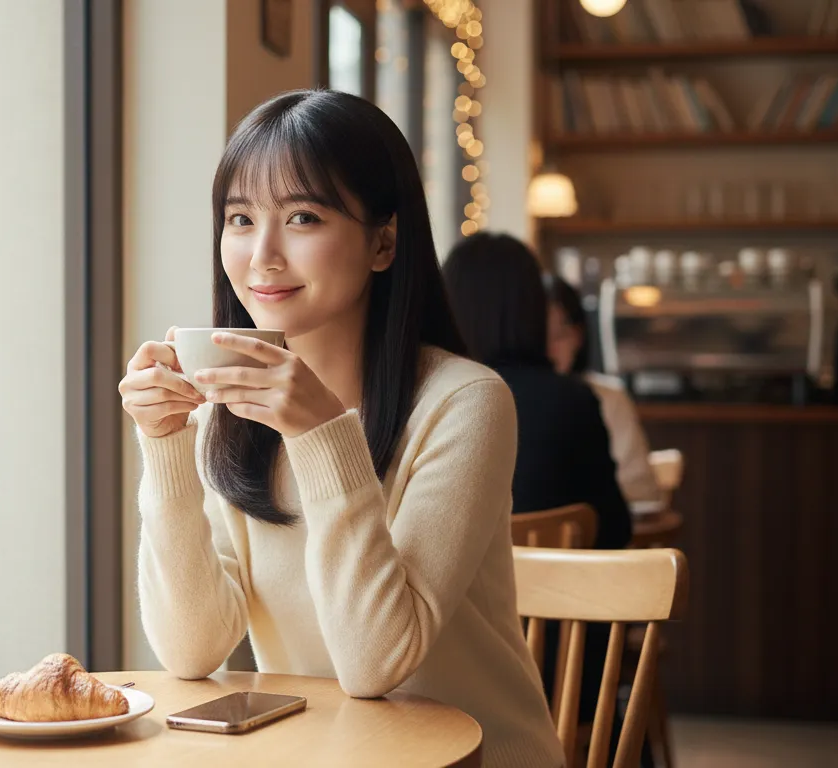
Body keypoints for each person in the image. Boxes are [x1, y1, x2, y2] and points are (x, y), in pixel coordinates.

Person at [119, 90, 563, 767]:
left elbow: (376, 661)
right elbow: (191, 649)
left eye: (302, 217)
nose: (262, 255)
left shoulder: (465, 402)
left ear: (383, 242)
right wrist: (166, 445)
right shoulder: (231, 411)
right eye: (240, 219)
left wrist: (322, 435)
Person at [442, 232, 631, 549]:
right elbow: (614, 528)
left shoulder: (429, 398)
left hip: (452, 582)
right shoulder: (572, 400)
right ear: (533, 308)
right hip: (558, 580)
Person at [545, 274, 662, 507]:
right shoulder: (504, 398)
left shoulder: (607, 397)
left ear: (578, 336)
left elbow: (639, 489)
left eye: (559, 335)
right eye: (539, 337)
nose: (549, 349)